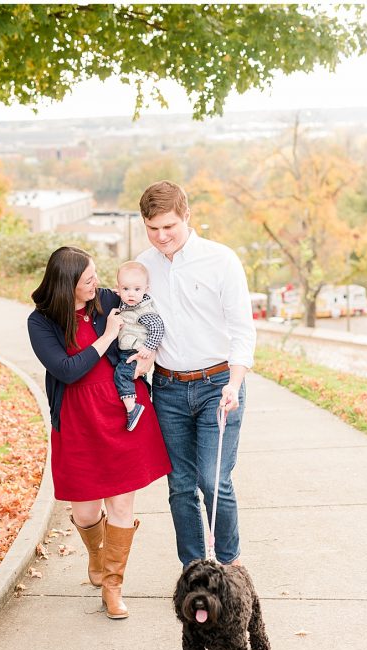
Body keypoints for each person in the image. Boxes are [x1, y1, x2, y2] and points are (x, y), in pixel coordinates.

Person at [28, 246, 171, 619]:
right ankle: (96, 553)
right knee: (86, 510)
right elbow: (68, 369)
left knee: (121, 504)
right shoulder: (41, 322)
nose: (98, 283)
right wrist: (107, 336)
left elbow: (146, 308)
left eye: (96, 276)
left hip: (123, 413)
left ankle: (113, 586)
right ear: (68, 284)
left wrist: (149, 352)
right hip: (78, 420)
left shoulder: (107, 299)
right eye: (89, 279)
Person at [134, 180, 256, 568]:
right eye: (152, 228)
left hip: (219, 385)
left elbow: (242, 329)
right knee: (181, 487)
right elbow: (137, 322)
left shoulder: (221, 260)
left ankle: (229, 564)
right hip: (167, 389)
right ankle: (194, 570)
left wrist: (235, 384)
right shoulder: (144, 265)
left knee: (213, 479)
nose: (161, 236)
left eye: (169, 226)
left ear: (187, 215)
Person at [112, 261, 165, 431]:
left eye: (137, 289)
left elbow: (158, 328)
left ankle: (132, 408)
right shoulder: (127, 303)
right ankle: (145, 398)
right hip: (128, 348)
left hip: (136, 351)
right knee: (139, 380)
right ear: (118, 289)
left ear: (146, 289)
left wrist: (148, 348)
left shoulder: (144, 311)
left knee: (121, 375)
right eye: (125, 289)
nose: (131, 294)